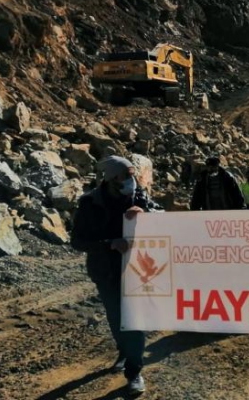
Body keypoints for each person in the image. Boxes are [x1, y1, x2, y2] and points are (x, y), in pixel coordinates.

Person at [71, 156, 163, 395]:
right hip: (106, 270)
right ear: (111, 179)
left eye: (133, 175)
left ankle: (134, 373)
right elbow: (78, 241)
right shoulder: (90, 204)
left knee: (134, 320)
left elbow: (159, 214)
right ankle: (124, 351)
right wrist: (109, 244)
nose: (131, 181)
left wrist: (144, 211)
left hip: (136, 270)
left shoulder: (137, 196)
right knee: (116, 318)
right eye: (125, 177)